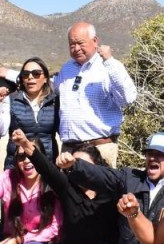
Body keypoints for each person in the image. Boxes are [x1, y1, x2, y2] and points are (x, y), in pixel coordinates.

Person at [12, 128, 119, 244]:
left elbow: (122, 228)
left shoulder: (111, 191)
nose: (78, 170)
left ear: (96, 166)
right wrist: (26, 145)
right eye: (72, 166)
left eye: (82, 165)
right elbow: (47, 169)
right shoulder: (68, 188)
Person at [55, 22, 137, 168]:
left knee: (101, 191)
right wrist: (13, 76)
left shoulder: (108, 67)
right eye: (72, 44)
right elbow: (48, 87)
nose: (76, 48)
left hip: (100, 148)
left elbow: (128, 98)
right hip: (69, 149)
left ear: (95, 41)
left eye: (80, 43)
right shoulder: (67, 68)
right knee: (68, 191)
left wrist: (109, 61)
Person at [0, 56, 60, 166]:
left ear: (45, 78)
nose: (30, 77)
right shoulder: (11, 99)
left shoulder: (55, 101)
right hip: (16, 166)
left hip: (47, 166)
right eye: (25, 74)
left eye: (36, 73)